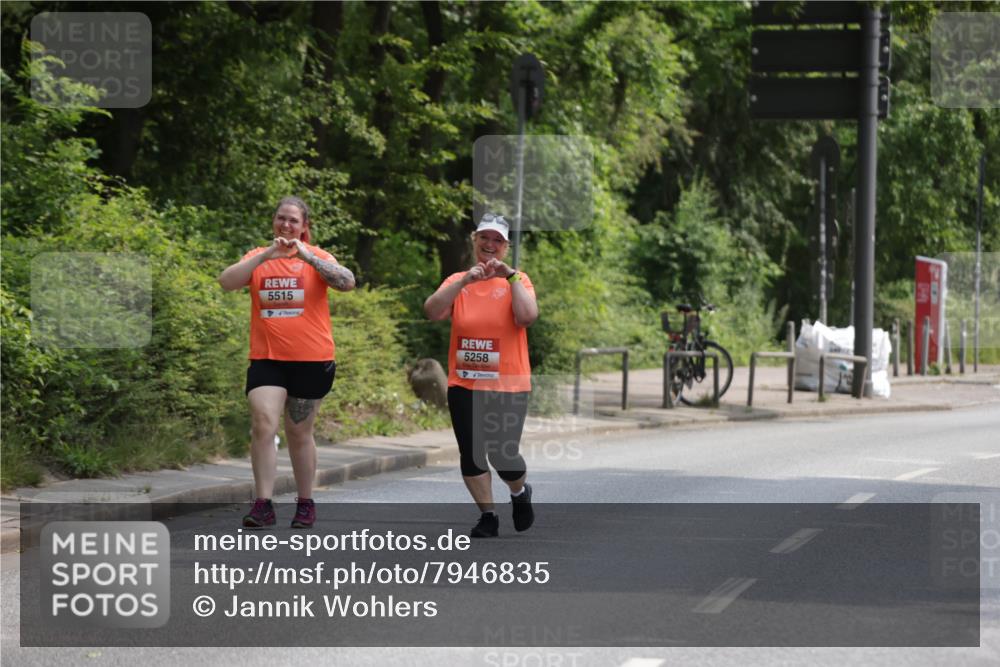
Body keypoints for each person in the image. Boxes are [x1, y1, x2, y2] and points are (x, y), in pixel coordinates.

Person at [218, 196, 355, 529]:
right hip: (268, 359)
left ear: (304, 227)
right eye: (281, 218)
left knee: (298, 432)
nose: (286, 225)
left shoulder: (318, 257)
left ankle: (305, 501)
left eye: (294, 221)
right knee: (264, 422)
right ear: (273, 222)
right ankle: (263, 503)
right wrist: (267, 254)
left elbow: (347, 282)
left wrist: (306, 256)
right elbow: (226, 282)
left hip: (312, 361)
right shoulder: (257, 258)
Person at [424, 213, 539, 537]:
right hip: (465, 382)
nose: (490, 245)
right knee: (471, 452)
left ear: (506, 247)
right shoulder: (458, 281)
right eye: (484, 238)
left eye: (497, 241)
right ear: (475, 241)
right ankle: (487, 515)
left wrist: (511, 277)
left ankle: (519, 492)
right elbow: (432, 311)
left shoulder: (519, 280)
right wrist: (464, 282)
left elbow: (527, 317)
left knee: (503, 453)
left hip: (508, 385)